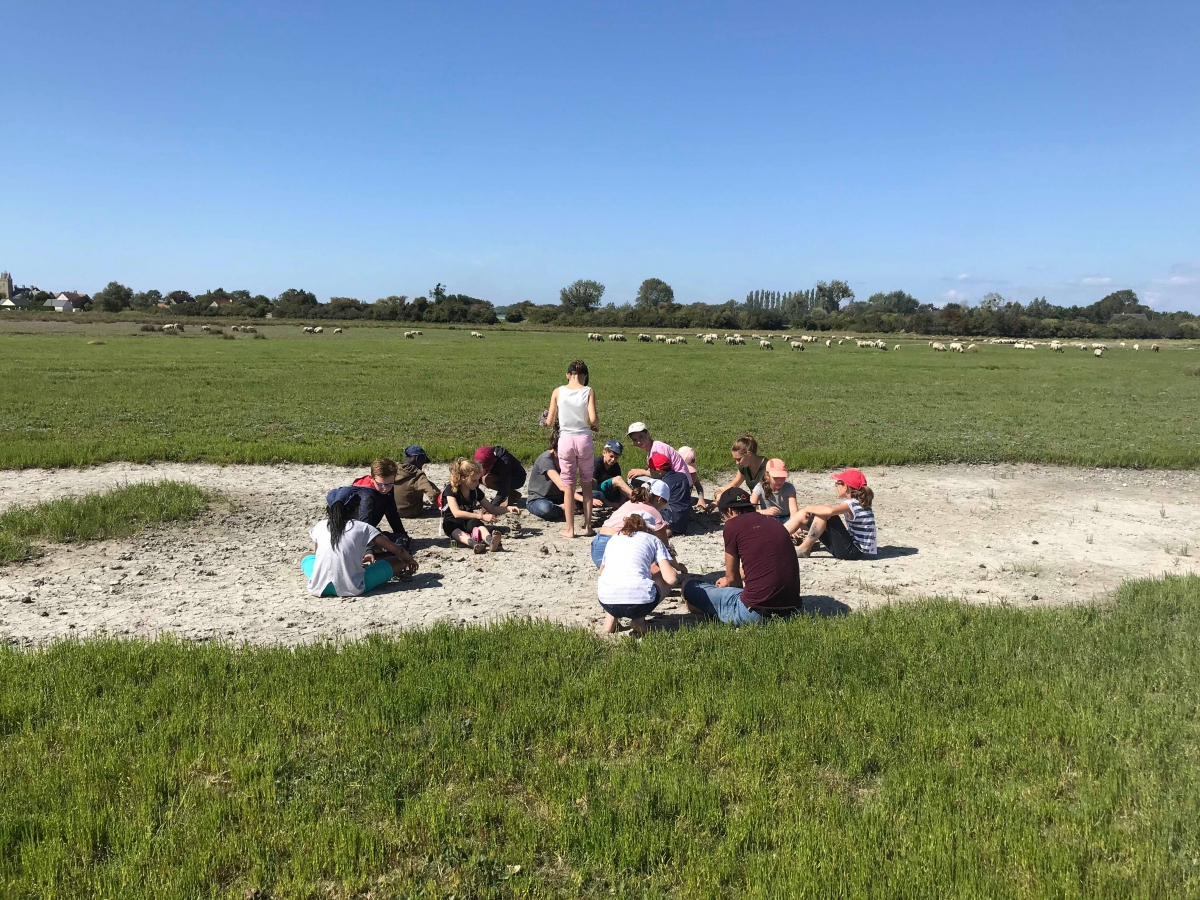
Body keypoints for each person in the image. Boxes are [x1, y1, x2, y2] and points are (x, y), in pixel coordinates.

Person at [682, 488, 804, 624]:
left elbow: (732, 578)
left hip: (755, 612)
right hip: (792, 610)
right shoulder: (774, 522)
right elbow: (763, 563)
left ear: (729, 511)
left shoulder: (732, 525)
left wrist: (730, 587)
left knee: (689, 586)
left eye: (723, 515)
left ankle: (711, 608)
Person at [302, 493, 418, 597]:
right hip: (353, 587)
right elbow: (398, 551)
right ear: (356, 509)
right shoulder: (362, 527)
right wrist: (410, 560)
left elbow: (318, 556)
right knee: (398, 561)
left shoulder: (320, 525)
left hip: (319, 587)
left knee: (306, 555)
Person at [597, 511, 679, 636]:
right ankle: (638, 619)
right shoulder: (653, 540)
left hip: (606, 601)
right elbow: (671, 579)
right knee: (662, 578)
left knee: (616, 578)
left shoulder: (614, 538)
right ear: (648, 528)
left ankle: (610, 620)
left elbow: (601, 572)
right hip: (639, 604)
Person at [544, 359, 599, 538]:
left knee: (568, 486)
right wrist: (595, 426)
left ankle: (570, 529)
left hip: (565, 439)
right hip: (583, 439)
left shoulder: (557, 392)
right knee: (587, 484)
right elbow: (593, 418)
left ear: (568, 375)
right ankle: (588, 527)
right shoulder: (588, 391)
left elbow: (550, 421)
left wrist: (546, 420)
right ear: (585, 376)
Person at [790, 468, 878, 559]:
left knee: (826, 511)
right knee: (810, 514)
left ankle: (804, 548)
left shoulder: (851, 504)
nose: (836, 485)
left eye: (838, 483)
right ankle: (781, 537)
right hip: (853, 550)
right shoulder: (860, 504)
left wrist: (808, 508)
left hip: (852, 551)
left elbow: (830, 511)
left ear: (846, 487)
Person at [328, 458, 413, 550]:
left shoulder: (386, 487)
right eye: (380, 484)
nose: (385, 488)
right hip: (353, 535)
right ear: (372, 478)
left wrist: (401, 533)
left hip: (359, 531)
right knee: (399, 543)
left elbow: (392, 513)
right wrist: (369, 550)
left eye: (389, 484)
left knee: (401, 537)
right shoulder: (367, 496)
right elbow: (364, 524)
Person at [440, 458, 519, 553]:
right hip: (452, 521)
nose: (477, 483)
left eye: (478, 480)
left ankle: (491, 542)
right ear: (463, 478)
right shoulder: (451, 490)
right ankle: (474, 544)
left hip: (468, 520)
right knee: (453, 528)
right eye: (474, 480)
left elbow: (492, 508)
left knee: (477, 524)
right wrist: (481, 516)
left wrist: (507, 508)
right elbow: (456, 513)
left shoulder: (475, 491)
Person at [590, 480, 671, 567]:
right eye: (663, 504)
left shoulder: (628, 503)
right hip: (613, 550)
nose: (661, 508)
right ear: (659, 499)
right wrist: (678, 566)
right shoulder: (653, 511)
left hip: (597, 548)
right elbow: (665, 549)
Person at [625, 422, 692, 487]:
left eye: (641, 437)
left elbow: (662, 473)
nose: (638, 442)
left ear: (648, 434)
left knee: (635, 481)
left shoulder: (658, 450)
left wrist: (642, 472)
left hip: (680, 486)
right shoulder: (654, 448)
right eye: (634, 439)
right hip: (680, 483)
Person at [647, 452, 693, 535]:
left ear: (659, 471)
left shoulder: (663, 484)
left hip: (669, 518)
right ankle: (670, 530)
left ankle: (665, 530)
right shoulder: (682, 476)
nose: (650, 472)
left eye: (651, 470)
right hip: (683, 520)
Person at [714, 434, 768, 504]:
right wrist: (717, 500)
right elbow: (734, 484)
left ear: (749, 454)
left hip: (767, 504)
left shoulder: (768, 467)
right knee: (720, 491)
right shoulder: (744, 466)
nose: (737, 463)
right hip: (754, 502)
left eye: (739, 459)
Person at [393, 445, 440, 517]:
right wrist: (442, 504)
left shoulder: (394, 469)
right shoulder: (418, 475)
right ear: (419, 459)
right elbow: (433, 494)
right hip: (410, 512)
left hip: (390, 511)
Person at [593, 439, 631, 506]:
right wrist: (609, 504)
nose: (613, 460)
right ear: (604, 453)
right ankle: (637, 499)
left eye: (616, 458)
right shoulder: (596, 464)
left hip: (608, 493)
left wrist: (621, 502)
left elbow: (621, 486)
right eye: (611, 456)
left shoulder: (615, 466)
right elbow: (593, 488)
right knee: (618, 479)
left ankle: (631, 500)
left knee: (626, 484)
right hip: (596, 493)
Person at [676, 446, 712, 511]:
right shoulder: (671, 474)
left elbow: (698, 486)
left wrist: (701, 499)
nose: (689, 474)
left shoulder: (693, 475)